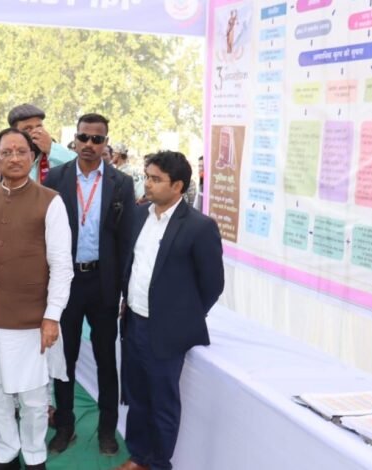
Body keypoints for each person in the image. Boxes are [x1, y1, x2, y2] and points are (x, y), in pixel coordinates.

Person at [0, 128, 73, 469]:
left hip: (30, 319)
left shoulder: (50, 201)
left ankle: (34, 458)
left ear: (33, 157)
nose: (14, 158)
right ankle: (4, 455)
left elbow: (62, 265)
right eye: (6, 152)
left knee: (33, 398)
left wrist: (52, 316)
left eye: (21, 151)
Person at [116, 151, 224, 470]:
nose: (148, 184)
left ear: (177, 186)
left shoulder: (199, 227)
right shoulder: (139, 215)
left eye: (156, 179)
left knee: (162, 402)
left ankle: (160, 463)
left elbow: (212, 284)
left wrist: (182, 317)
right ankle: (138, 457)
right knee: (137, 396)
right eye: (147, 177)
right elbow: (133, 265)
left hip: (166, 330)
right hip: (134, 320)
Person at [43, 113, 134, 455]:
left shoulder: (121, 183)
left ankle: (107, 430)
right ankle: (65, 426)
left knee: (105, 359)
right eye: (84, 137)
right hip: (66, 281)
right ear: (75, 139)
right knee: (63, 359)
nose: (89, 145)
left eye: (97, 139)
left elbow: (126, 241)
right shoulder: (56, 178)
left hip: (103, 282)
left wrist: (124, 291)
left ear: (105, 143)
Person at [7, 103, 75, 183]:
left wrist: (50, 148)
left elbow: (80, 166)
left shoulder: (53, 155)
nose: (35, 132)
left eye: (39, 126)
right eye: (28, 129)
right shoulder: (7, 157)